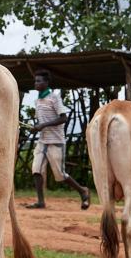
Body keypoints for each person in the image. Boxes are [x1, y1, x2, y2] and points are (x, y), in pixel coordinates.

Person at [26, 69, 90, 210]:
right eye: (35, 81)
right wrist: (36, 127)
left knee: (60, 175)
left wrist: (43, 125)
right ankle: (41, 202)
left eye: (39, 81)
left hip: (56, 141)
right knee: (36, 170)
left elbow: (63, 118)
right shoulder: (38, 100)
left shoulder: (54, 98)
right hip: (43, 141)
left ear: (46, 82)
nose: (36, 83)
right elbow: (42, 120)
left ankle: (83, 191)